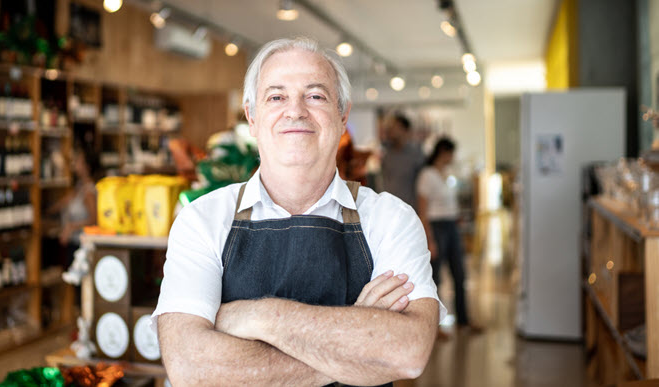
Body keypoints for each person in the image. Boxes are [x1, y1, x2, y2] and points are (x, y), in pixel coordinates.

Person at [153, 37, 445, 386]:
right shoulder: (201, 220)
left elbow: (407, 352)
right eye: (276, 97)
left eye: (315, 96)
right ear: (252, 116)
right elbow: (190, 368)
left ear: (342, 115)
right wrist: (357, 342)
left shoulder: (390, 219)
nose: (295, 111)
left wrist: (258, 316)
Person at [416, 137, 479, 332]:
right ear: (443, 152)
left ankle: (463, 320)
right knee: (435, 278)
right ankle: (434, 325)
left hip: (451, 225)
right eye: (450, 153)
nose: (452, 157)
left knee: (459, 273)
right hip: (437, 227)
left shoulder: (446, 173)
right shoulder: (427, 175)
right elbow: (423, 210)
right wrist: (429, 239)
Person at [46, 147, 97, 263]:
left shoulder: (89, 192)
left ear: (87, 167)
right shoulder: (79, 187)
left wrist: (71, 227)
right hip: (73, 243)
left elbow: (94, 219)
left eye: (79, 160)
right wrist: (44, 211)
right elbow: (63, 202)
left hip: (82, 245)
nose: (75, 163)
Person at [381, 114, 426, 209]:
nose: (390, 130)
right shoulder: (387, 154)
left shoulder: (416, 154)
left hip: (410, 207)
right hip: (389, 207)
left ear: (405, 130)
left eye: (394, 126)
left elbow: (423, 185)